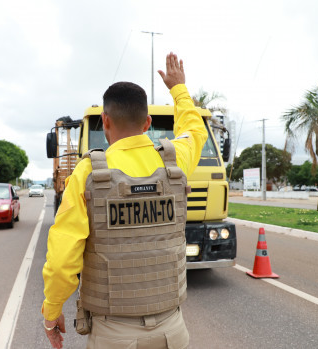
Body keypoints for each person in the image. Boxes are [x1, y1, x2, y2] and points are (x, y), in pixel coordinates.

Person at [41, 52, 208, 349]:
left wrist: (52, 313)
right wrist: (178, 88)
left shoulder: (86, 173)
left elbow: (62, 259)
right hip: (173, 330)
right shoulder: (176, 162)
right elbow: (194, 131)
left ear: (105, 120)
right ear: (147, 123)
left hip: (112, 334)